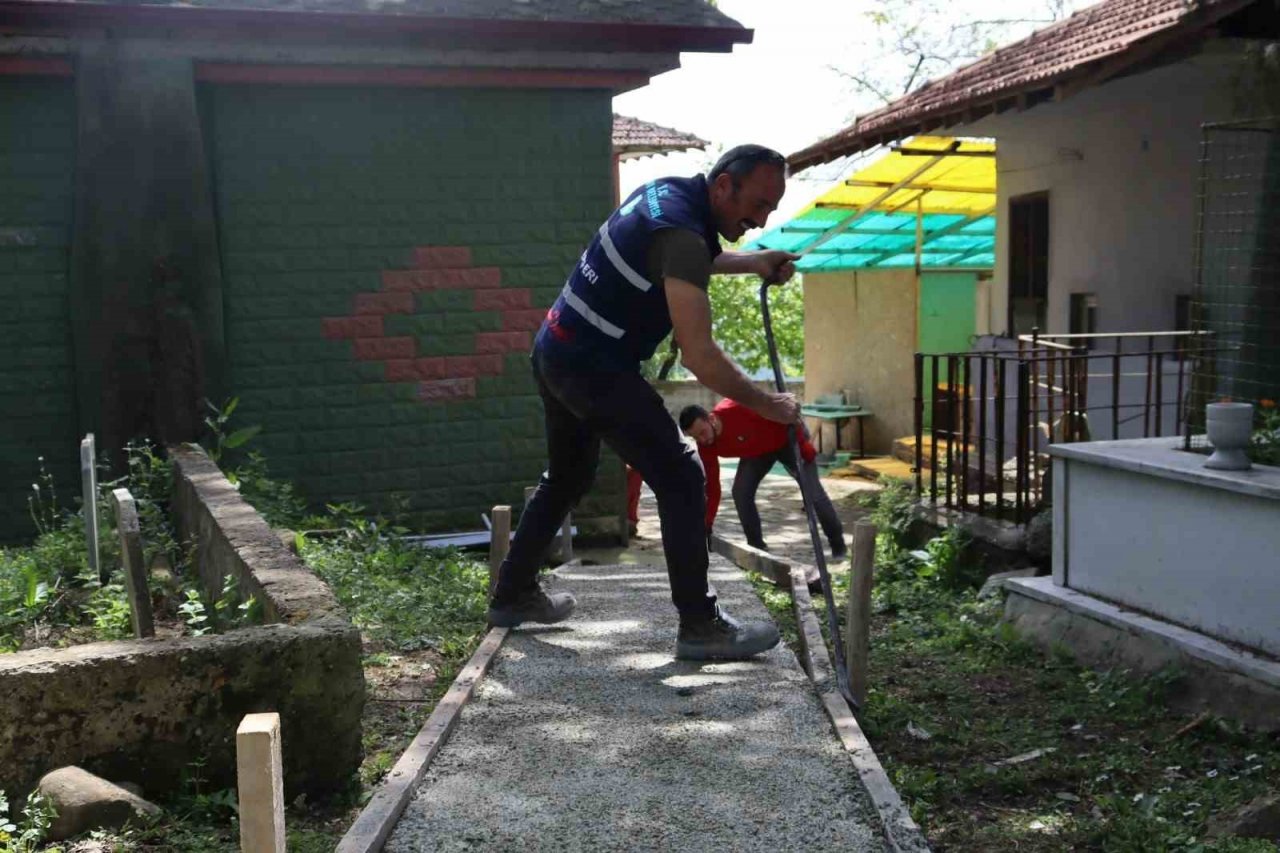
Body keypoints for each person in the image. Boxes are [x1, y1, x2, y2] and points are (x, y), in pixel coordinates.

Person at [487, 144, 801, 661]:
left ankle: (512, 593)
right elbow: (700, 355)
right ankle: (701, 627)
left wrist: (751, 262)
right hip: (594, 366)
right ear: (723, 186)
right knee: (681, 476)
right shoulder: (682, 232)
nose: (762, 217)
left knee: (566, 476)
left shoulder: (670, 196)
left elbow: (686, 256)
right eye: (760, 204)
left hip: (555, 347)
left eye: (771, 209)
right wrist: (767, 405)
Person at [679, 401, 847, 561]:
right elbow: (712, 488)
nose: (702, 440)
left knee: (813, 494)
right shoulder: (706, 446)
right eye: (696, 438)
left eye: (702, 432)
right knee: (740, 492)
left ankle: (837, 542)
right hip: (757, 451)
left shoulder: (737, 408)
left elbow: (787, 413)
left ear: (711, 419)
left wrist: (802, 445)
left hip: (786, 438)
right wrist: (706, 524)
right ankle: (757, 549)